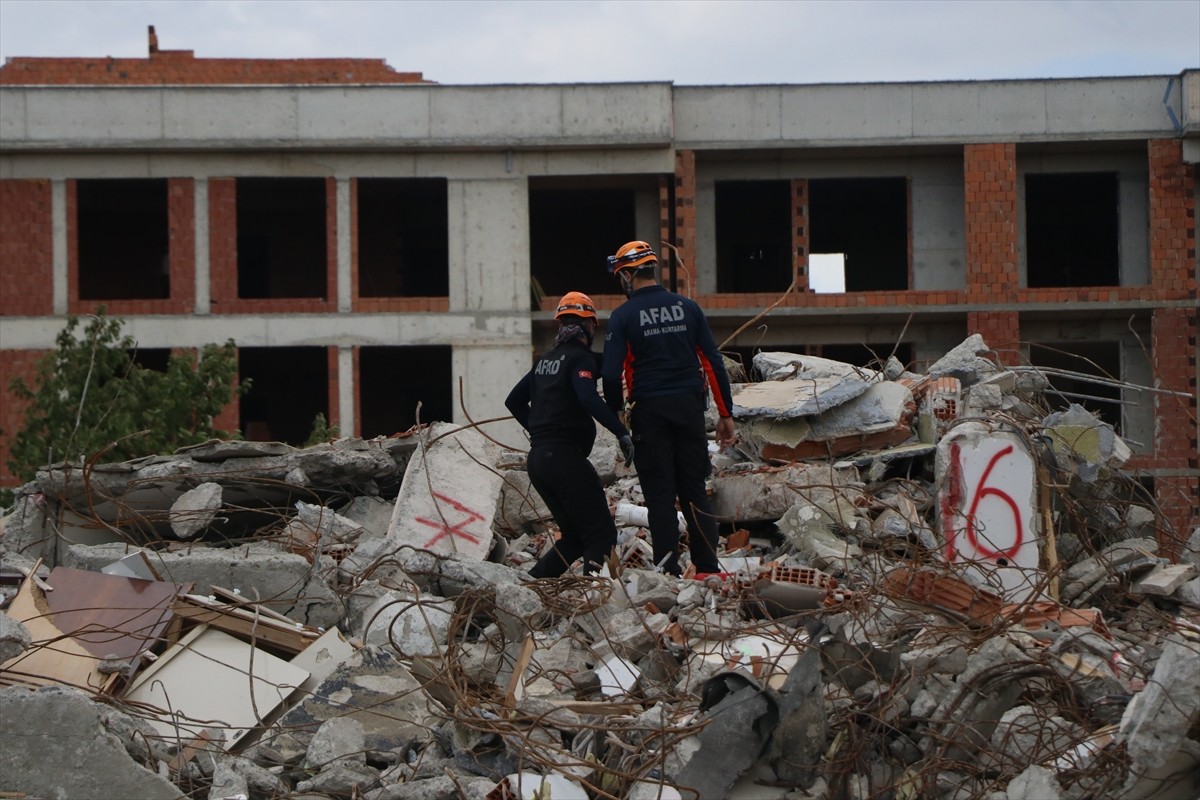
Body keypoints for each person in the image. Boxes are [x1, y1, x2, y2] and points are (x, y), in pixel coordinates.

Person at [601, 241, 735, 577]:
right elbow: (712, 362)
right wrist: (725, 413)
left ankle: (668, 570)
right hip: (689, 409)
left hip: (650, 411)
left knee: (660, 495)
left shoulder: (623, 316)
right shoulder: (687, 308)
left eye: (622, 276)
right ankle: (707, 568)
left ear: (629, 274)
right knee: (694, 490)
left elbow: (610, 373)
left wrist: (619, 416)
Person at [506, 291, 636, 578]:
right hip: (565, 458)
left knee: (575, 538)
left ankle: (532, 586)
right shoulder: (580, 360)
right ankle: (593, 599)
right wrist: (620, 430)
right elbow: (589, 398)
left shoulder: (544, 362)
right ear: (590, 326)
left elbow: (513, 401)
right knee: (601, 535)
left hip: (539, 460)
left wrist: (540, 431)